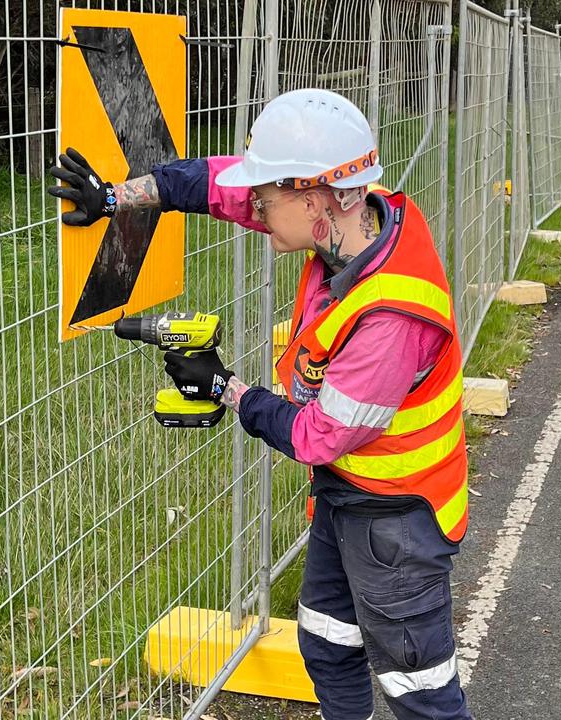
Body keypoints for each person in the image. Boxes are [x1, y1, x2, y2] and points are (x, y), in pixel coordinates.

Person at [51, 88, 473, 720]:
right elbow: (213, 185)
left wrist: (225, 388)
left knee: (420, 694)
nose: (254, 209)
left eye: (266, 198)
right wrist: (116, 198)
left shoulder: (390, 317)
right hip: (348, 499)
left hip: (398, 521)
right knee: (328, 645)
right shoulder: (352, 225)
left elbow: (319, 436)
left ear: (313, 198)